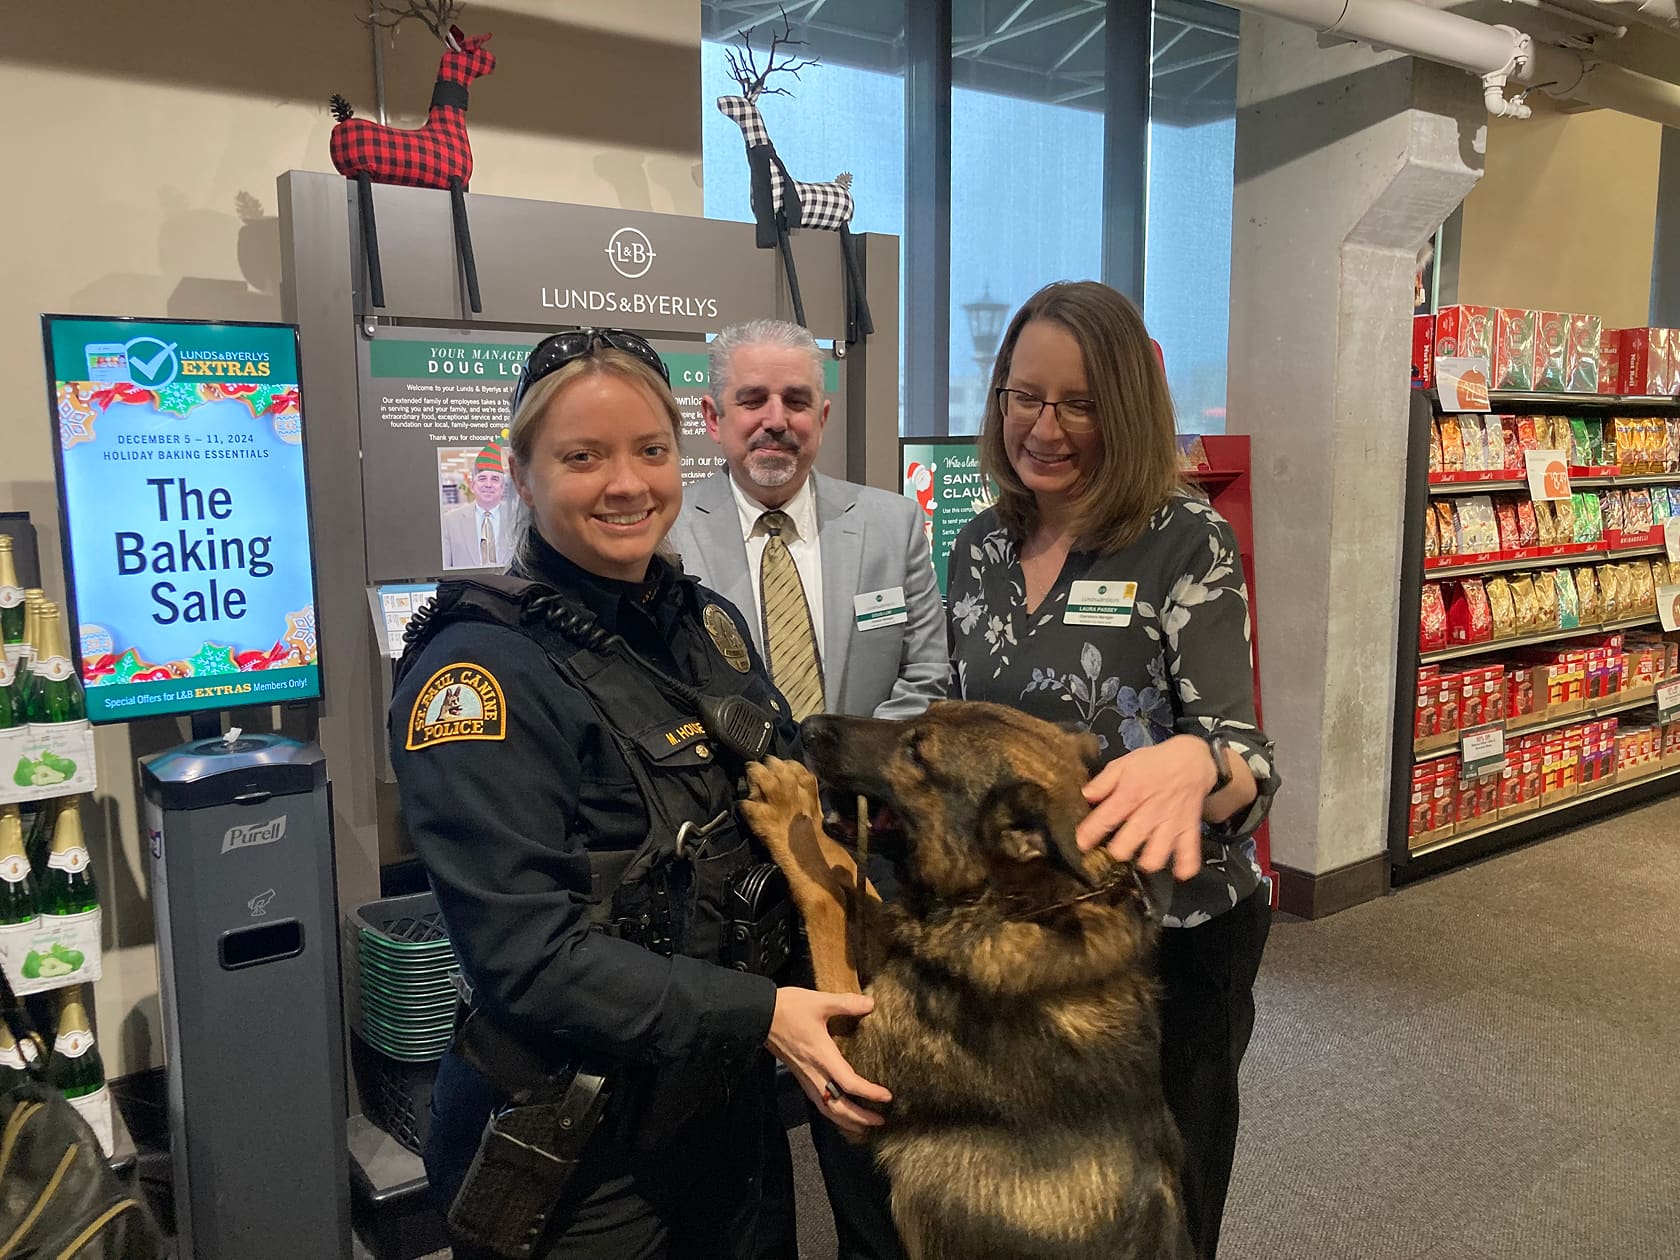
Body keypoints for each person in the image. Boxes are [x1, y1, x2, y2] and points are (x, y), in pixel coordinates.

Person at [389, 328, 889, 1260]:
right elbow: (526, 958)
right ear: (522, 476)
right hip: (579, 1151)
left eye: (650, 451)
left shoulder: (704, 627)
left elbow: (788, 817)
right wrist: (765, 1015)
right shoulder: (477, 677)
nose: (628, 484)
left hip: (724, 1108)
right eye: (584, 456)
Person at [945, 281, 1280, 1260]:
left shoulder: (1184, 541)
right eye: (1023, 395)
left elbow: (1248, 761)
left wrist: (1197, 760)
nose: (1043, 426)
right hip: (1029, 937)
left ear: (1124, 408)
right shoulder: (978, 548)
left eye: (1078, 403)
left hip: (1171, 942)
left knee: (1158, 1213)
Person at [669, 318, 945, 1260]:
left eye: (795, 401)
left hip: (862, 864)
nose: (774, 421)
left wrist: (824, 795)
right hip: (729, 872)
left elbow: (926, 681)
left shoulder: (894, 524)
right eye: (752, 401)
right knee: (729, 1137)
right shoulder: (667, 536)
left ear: (824, 414)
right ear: (714, 416)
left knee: (867, 1114)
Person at [440, 441, 515, 569]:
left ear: (503, 487)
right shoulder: (450, 521)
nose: (488, 484)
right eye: (482, 478)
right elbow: (445, 569)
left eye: (495, 479)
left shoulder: (516, 519)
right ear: (472, 486)